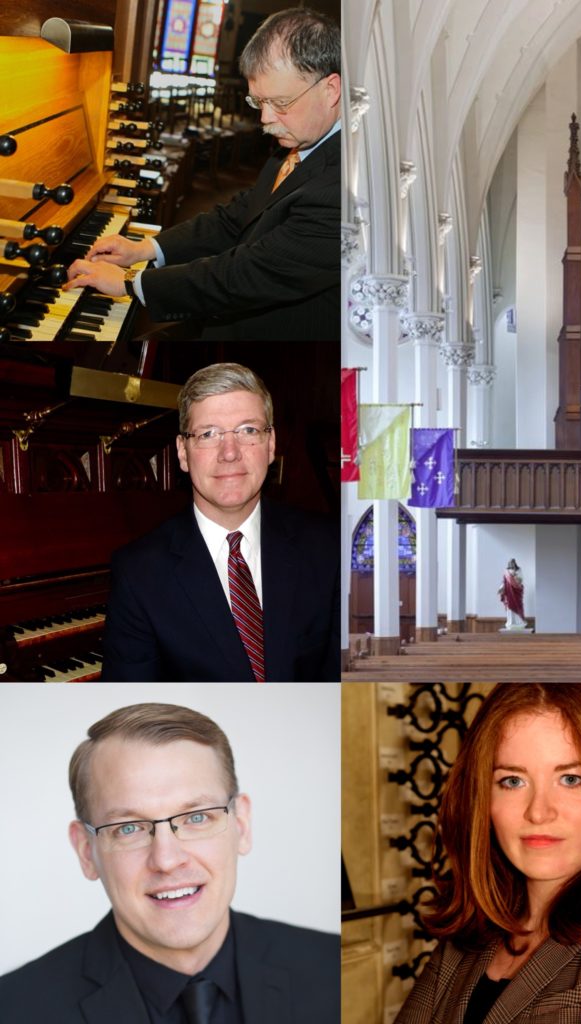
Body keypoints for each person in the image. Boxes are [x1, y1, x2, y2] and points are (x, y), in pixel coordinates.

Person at [0, 702, 339, 1020]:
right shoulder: (14, 1008)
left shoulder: (332, 966)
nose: (166, 859)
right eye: (128, 828)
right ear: (86, 851)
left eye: (196, 818)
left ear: (241, 825)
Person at [395, 683, 581, 1024]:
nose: (539, 812)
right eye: (513, 781)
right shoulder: (466, 942)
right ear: (482, 802)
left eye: (571, 779)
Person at [62, 7, 341, 342]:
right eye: (259, 102)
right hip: (231, 312)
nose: (266, 120)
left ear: (331, 89)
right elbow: (237, 217)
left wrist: (129, 284)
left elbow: (249, 273)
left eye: (280, 103)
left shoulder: (343, 189)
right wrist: (144, 249)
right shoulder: (301, 138)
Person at [101, 362, 340, 681]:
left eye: (248, 430)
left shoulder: (330, 546)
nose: (230, 452)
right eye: (208, 434)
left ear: (270, 446)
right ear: (183, 453)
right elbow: (135, 711)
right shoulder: (138, 573)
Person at [497, 558, 526, 629]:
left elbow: (520, 580)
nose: (512, 564)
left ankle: (519, 622)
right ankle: (510, 622)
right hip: (509, 593)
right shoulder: (506, 572)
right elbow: (504, 582)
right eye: (510, 563)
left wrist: (515, 576)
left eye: (513, 562)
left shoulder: (519, 570)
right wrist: (501, 588)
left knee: (518, 606)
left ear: (515, 563)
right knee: (510, 607)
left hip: (517, 593)